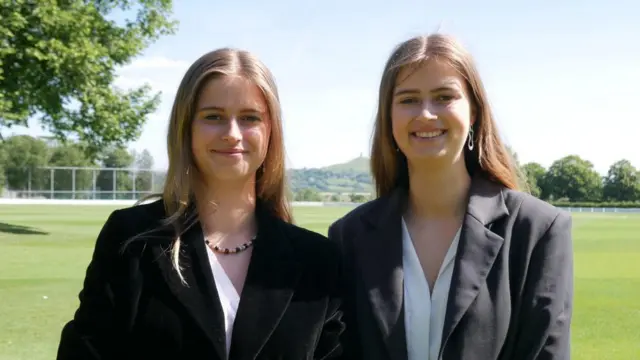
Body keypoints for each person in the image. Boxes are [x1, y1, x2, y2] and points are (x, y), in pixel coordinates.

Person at [57, 48, 344, 360]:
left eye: (249, 118)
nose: (232, 134)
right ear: (186, 127)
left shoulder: (318, 260)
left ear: (270, 131)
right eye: (213, 117)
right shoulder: (133, 240)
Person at [330, 34, 573, 360]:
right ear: (388, 117)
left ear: (473, 111)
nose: (426, 114)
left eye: (444, 97)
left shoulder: (538, 230)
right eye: (408, 99)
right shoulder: (349, 237)